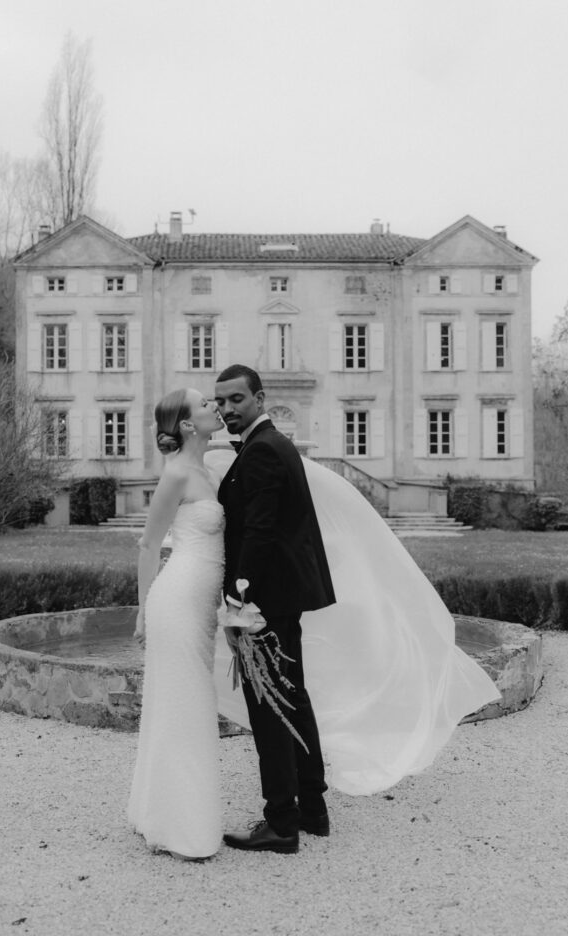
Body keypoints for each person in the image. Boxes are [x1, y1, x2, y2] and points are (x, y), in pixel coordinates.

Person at [214, 364, 337, 855]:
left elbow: (259, 534)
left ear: (259, 399)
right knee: (292, 700)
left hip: (263, 603)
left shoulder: (263, 451)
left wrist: (236, 603)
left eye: (236, 400)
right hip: (282, 598)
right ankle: (312, 808)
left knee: (269, 710)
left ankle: (281, 822)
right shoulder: (273, 444)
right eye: (219, 401)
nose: (226, 409)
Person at [127, 388, 226, 860]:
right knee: (187, 704)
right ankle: (185, 828)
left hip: (203, 602)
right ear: (188, 425)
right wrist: (144, 608)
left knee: (181, 703)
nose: (215, 408)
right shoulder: (177, 475)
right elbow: (149, 546)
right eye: (206, 405)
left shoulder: (209, 467)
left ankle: (159, 813)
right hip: (179, 599)